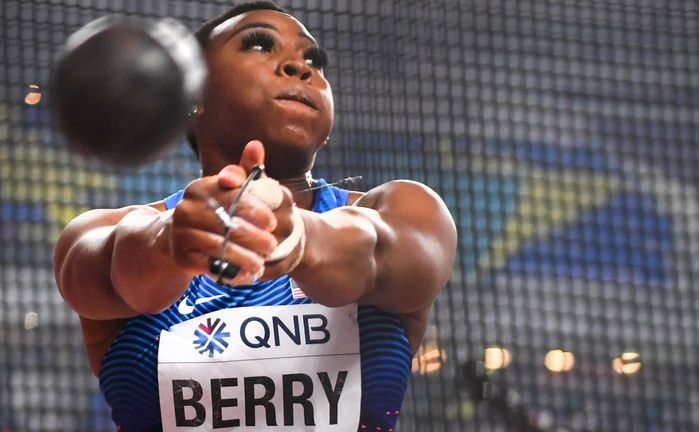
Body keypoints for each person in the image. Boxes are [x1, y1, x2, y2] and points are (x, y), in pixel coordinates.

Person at [54, 1, 456, 431]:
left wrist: (291, 234)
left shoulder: (406, 212)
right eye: (260, 44)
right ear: (192, 94)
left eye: (313, 59)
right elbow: (118, 265)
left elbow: (372, 253)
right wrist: (173, 243)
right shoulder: (102, 232)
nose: (301, 68)